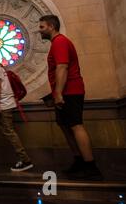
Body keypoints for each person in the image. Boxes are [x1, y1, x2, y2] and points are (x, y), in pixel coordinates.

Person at [39, 15, 103, 180]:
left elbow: (62, 67)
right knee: (65, 126)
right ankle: (79, 161)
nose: (39, 30)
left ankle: (91, 166)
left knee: (75, 125)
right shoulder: (56, 43)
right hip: (63, 92)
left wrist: (59, 93)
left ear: (51, 27)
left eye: (42, 27)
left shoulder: (60, 42)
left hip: (70, 91)